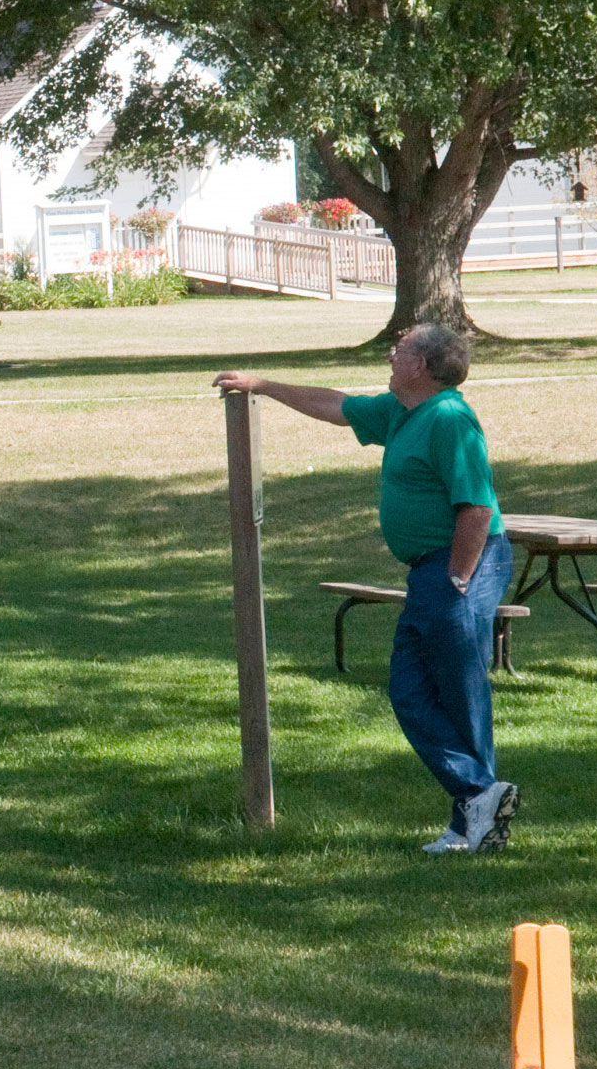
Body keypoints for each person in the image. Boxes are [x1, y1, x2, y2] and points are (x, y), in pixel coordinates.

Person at [215, 324, 518, 852]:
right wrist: (262, 385)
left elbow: (476, 507)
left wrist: (459, 580)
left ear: (422, 366)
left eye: (400, 350)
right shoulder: (403, 412)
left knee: (457, 691)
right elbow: (337, 404)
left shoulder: (448, 418)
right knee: (412, 688)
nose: (391, 354)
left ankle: (475, 810)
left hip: (460, 565)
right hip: (434, 570)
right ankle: (479, 802)